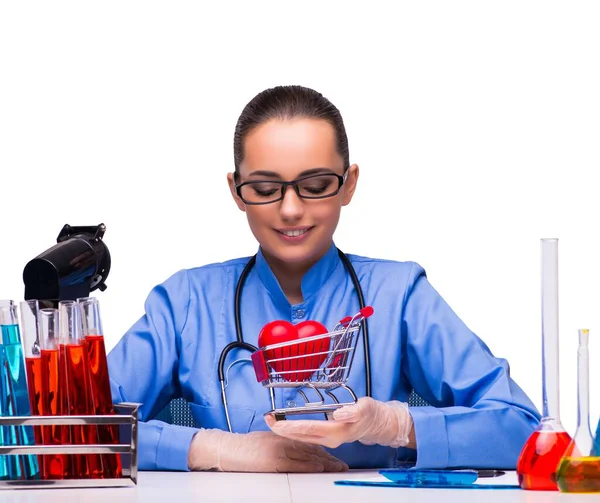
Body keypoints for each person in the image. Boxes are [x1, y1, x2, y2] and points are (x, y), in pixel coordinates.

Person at [107, 85, 540, 473]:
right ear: (236, 191)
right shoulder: (186, 302)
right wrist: (209, 449)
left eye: (315, 185)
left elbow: (522, 428)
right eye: (264, 188)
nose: (291, 209)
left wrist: (396, 426)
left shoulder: (400, 295)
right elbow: (76, 429)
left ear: (349, 184)